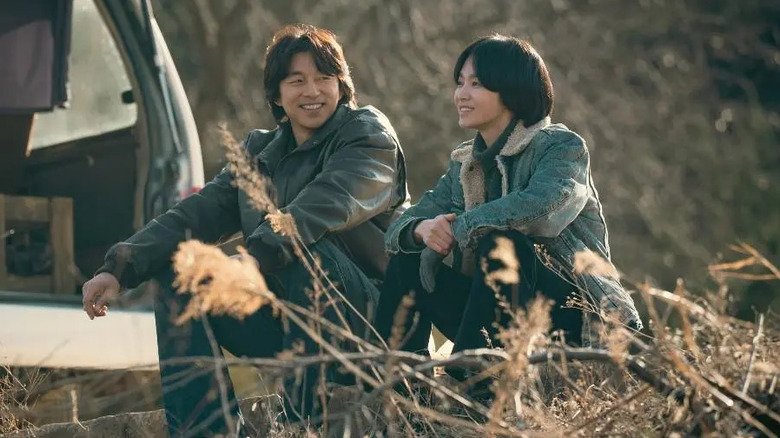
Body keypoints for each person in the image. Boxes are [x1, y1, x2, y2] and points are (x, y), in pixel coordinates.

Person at [81, 24, 409, 436]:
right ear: (277, 95)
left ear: (341, 86)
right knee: (183, 274)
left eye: (325, 78)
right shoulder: (259, 152)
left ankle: (302, 425)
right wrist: (120, 268)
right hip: (287, 324)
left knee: (306, 250)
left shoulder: (368, 135)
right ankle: (204, 431)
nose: (312, 91)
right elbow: (195, 215)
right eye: (297, 81)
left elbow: (323, 205)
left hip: (372, 326)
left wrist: (254, 259)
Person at [375, 34, 642, 395]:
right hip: (494, 317)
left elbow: (543, 207)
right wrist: (423, 229)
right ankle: (402, 395)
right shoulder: (465, 164)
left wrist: (463, 226)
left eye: (477, 84)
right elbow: (398, 230)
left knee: (503, 243)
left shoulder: (561, 147)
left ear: (512, 90)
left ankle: (477, 388)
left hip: (572, 319)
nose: (461, 94)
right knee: (407, 261)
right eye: (460, 83)